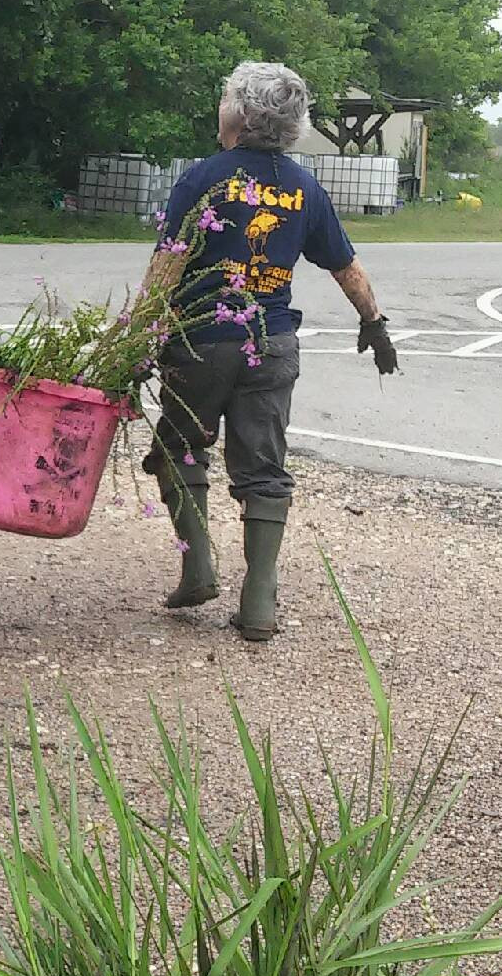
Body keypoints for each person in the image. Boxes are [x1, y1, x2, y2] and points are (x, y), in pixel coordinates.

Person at [143, 61, 399, 642]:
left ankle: (198, 567)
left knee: (178, 444)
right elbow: (344, 265)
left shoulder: (201, 179)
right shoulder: (304, 187)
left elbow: (165, 270)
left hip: (201, 341)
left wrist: (136, 338)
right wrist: (374, 322)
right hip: (274, 344)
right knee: (263, 468)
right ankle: (259, 604)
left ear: (237, 112)